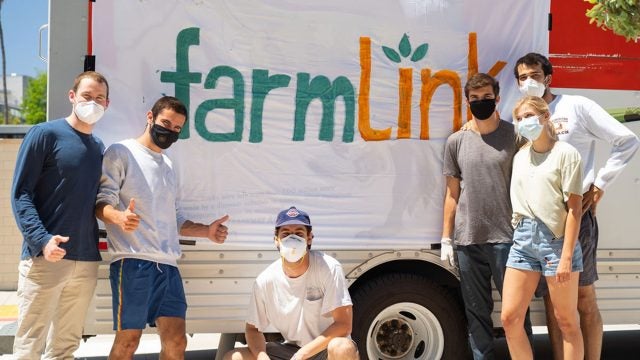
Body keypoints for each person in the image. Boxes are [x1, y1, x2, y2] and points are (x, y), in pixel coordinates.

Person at [514, 52, 640, 360]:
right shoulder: (520, 116)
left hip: (577, 216)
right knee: (556, 306)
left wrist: (598, 186)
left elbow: (627, 140)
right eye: (522, 77)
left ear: (549, 78)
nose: (529, 82)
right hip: (540, 222)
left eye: (534, 75)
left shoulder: (576, 106)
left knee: (583, 299)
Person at [95, 96, 230, 359]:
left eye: (177, 128)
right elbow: (101, 203)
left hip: (168, 266)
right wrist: (119, 217)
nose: (169, 131)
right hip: (132, 261)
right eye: (165, 123)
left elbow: (175, 218)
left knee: (177, 342)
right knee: (128, 342)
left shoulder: (168, 165)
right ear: (150, 117)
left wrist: (206, 231)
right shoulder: (121, 152)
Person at [11, 71, 110, 359]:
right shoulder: (45, 134)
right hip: (45, 258)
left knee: (66, 348)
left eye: (99, 98)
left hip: (85, 259)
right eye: (87, 97)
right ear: (72, 97)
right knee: (30, 344)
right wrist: (42, 240)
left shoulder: (98, 148)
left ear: (107, 104)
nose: (93, 103)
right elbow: (21, 194)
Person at [440, 73, 532, 359]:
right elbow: (452, 194)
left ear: (497, 99)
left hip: (508, 238)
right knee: (476, 313)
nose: (481, 103)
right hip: (468, 240)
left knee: (516, 313)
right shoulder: (456, 141)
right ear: (468, 102)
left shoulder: (515, 137)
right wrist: (446, 237)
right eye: (475, 99)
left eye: (487, 98)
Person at [501, 96, 584, 360]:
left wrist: (566, 257)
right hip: (523, 238)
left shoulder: (566, 154)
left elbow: (574, 209)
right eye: (519, 118)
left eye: (528, 116)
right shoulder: (520, 156)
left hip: (556, 241)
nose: (524, 122)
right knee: (510, 318)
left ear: (545, 117)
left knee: (567, 321)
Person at [224, 206, 359, 360]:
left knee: (342, 348)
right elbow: (252, 330)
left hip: (324, 349)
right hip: (291, 350)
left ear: (309, 238)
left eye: (299, 234)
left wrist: (302, 355)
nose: (292, 239)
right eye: (286, 233)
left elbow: (343, 324)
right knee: (234, 357)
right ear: (276, 240)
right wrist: (262, 357)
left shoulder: (329, 268)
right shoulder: (265, 281)